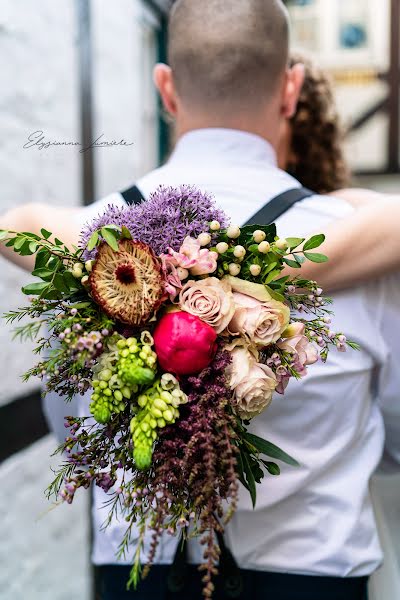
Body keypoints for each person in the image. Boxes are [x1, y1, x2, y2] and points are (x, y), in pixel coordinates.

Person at [1, 1, 400, 599]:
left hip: (136, 576)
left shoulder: (90, 249)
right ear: (290, 90)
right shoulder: (365, 248)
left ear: (165, 88)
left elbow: (70, 423)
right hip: (315, 579)